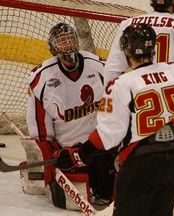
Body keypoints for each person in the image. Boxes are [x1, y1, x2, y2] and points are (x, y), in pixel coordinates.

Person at [53, 23, 174, 216]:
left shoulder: (121, 84)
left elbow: (107, 136)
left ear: (126, 50)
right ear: (153, 48)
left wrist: (79, 153)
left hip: (141, 164)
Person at [104, 0, 174, 185]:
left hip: (140, 106)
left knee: (133, 159)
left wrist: (117, 104)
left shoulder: (129, 24)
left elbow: (112, 71)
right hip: (172, 108)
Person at [25, 22, 116, 210]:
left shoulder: (98, 66)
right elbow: (41, 131)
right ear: (53, 48)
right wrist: (54, 154)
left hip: (98, 146)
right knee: (66, 202)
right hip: (69, 153)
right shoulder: (42, 79)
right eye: (61, 41)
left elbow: (118, 106)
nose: (67, 44)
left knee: (110, 193)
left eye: (69, 39)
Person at [104, 0, 174, 86]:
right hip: (171, 99)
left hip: (139, 96)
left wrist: (115, 100)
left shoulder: (129, 24)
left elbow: (112, 69)